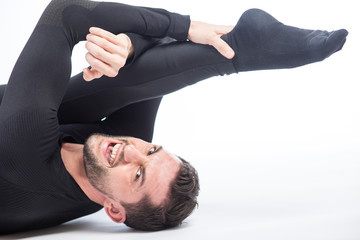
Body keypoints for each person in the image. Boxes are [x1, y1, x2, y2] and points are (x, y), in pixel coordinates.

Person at [0, 0, 347, 235]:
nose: (129, 151)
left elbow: (66, 11)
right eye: (151, 151)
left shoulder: (25, 160)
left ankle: (241, 52)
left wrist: (185, 26)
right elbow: (160, 47)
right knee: (135, 79)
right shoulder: (117, 158)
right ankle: (241, 48)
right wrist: (128, 48)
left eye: (137, 174)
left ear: (114, 211)